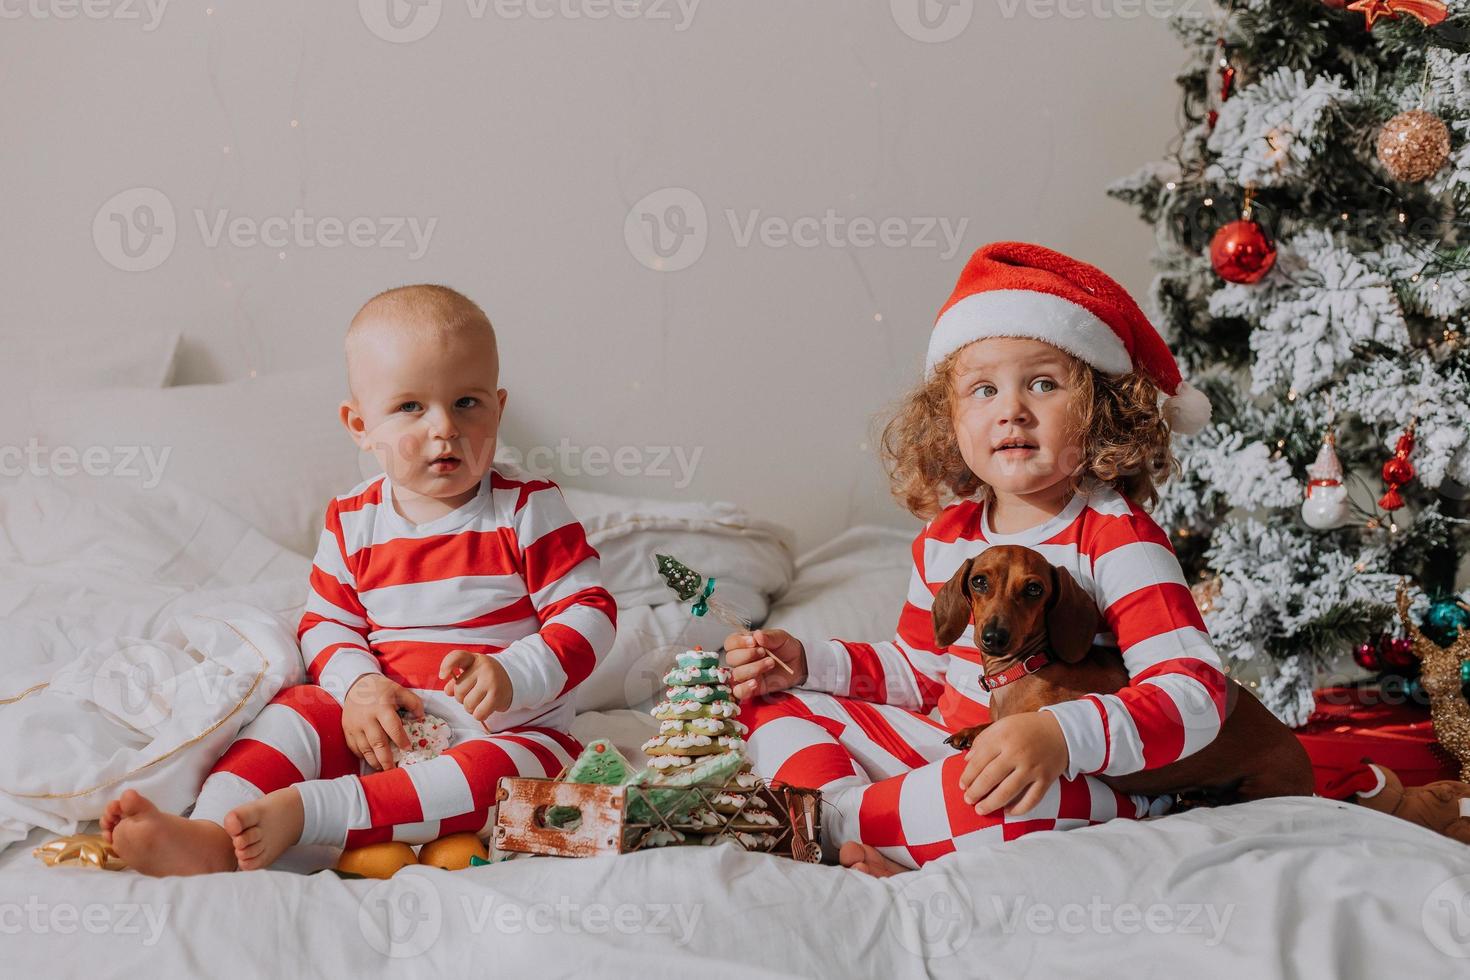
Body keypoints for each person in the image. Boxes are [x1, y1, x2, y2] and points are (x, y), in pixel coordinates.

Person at [727, 241, 1223, 875]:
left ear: (1102, 411)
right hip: (950, 748)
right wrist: (806, 661)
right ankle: (864, 822)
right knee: (771, 702)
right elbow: (918, 672)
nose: (1011, 409)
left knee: (998, 801)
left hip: (1064, 769)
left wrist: (1060, 736)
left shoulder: (1116, 538)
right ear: (950, 421)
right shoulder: (947, 536)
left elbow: (1193, 694)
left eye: (1043, 383)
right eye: (983, 389)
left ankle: (835, 824)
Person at [103, 284, 616, 874]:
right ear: (360, 425)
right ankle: (212, 831)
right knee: (294, 712)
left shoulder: (526, 508)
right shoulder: (353, 519)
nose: (444, 428)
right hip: (385, 732)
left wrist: (515, 671)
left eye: (468, 403)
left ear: (498, 408)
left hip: (503, 733)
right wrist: (358, 688)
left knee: (501, 777)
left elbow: (589, 610)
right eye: (410, 408)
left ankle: (307, 813)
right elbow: (325, 623)